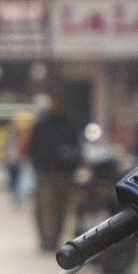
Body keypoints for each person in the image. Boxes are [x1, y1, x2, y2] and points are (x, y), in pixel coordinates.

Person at [27, 90, 82, 251]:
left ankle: (55, 238)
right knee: (47, 208)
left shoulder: (71, 124)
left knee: (62, 209)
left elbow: (78, 148)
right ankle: (48, 241)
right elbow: (33, 148)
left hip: (66, 174)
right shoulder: (41, 125)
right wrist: (39, 165)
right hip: (46, 174)